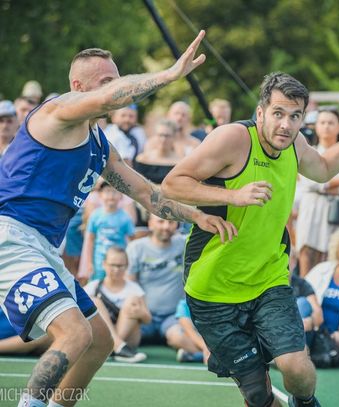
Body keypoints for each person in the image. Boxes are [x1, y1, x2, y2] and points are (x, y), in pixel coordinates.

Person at [0, 31, 236, 407]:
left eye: (118, 76)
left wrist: (197, 216)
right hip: (10, 237)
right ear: (78, 87)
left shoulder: (98, 143)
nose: (117, 86)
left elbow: (145, 193)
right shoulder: (56, 113)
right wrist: (168, 76)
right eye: (107, 80)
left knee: (99, 341)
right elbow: (112, 97)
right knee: (75, 334)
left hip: (42, 246)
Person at [161, 72, 339, 407]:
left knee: (297, 368)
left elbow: (325, 168)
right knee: (258, 395)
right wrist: (234, 196)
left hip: (267, 279)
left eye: (295, 116)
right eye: (278, 113)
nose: (286, 124)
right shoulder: (232, 139)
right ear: (260, 112)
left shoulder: (294, 144)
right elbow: (172, 184)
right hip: (212, 287)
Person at [295, 107, 339, 277]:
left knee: (333, 257)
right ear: (316, 126)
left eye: (331, 123)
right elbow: (313, 182)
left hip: (338, 209)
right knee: (307, 255)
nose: (326, 127)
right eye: (322, 122)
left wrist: (332, 184)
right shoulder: (310, 151)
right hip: (311, 206)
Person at [126, 214, 186, 345]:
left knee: (180, 339)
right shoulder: (136, 248)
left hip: (173, 317)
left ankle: (191, 354)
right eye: (161, 221)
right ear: (150, 223)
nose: (166, 226)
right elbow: (130, 284)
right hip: (145, 315)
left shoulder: (184, 244)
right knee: (127, 341)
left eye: (171, 222)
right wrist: (141, 311)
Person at [84, 246, 150, 363]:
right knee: (94, 301)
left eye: (120, 266)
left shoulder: (134, 288)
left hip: (129, 338)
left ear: (127, 266)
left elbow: (148, 319)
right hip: (102, 335)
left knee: (132, 300)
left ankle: (115, 346)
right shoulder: (93, 286)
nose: (116, 269)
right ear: (104, 264)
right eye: (112, 265)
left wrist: (140, 313)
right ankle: (118, 347)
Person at [84, 182, 135, 281]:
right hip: (99, 262)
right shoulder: (95, 216)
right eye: (107, 191)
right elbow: (90, 240)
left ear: (121, 195)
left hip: (118, 263)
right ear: (100, 194)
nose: (111, 196)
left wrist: (128, 262)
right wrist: (89, 263)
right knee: (97, 286)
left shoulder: (125, 217)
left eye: (114, 192)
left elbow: (131, 241)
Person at [167, 299, 210, 364]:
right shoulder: (185, 303)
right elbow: (188, 330)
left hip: (220, 340)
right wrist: (205, 347)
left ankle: (197, 356)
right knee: (176, 338)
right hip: (201, 342)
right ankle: (212, 356)